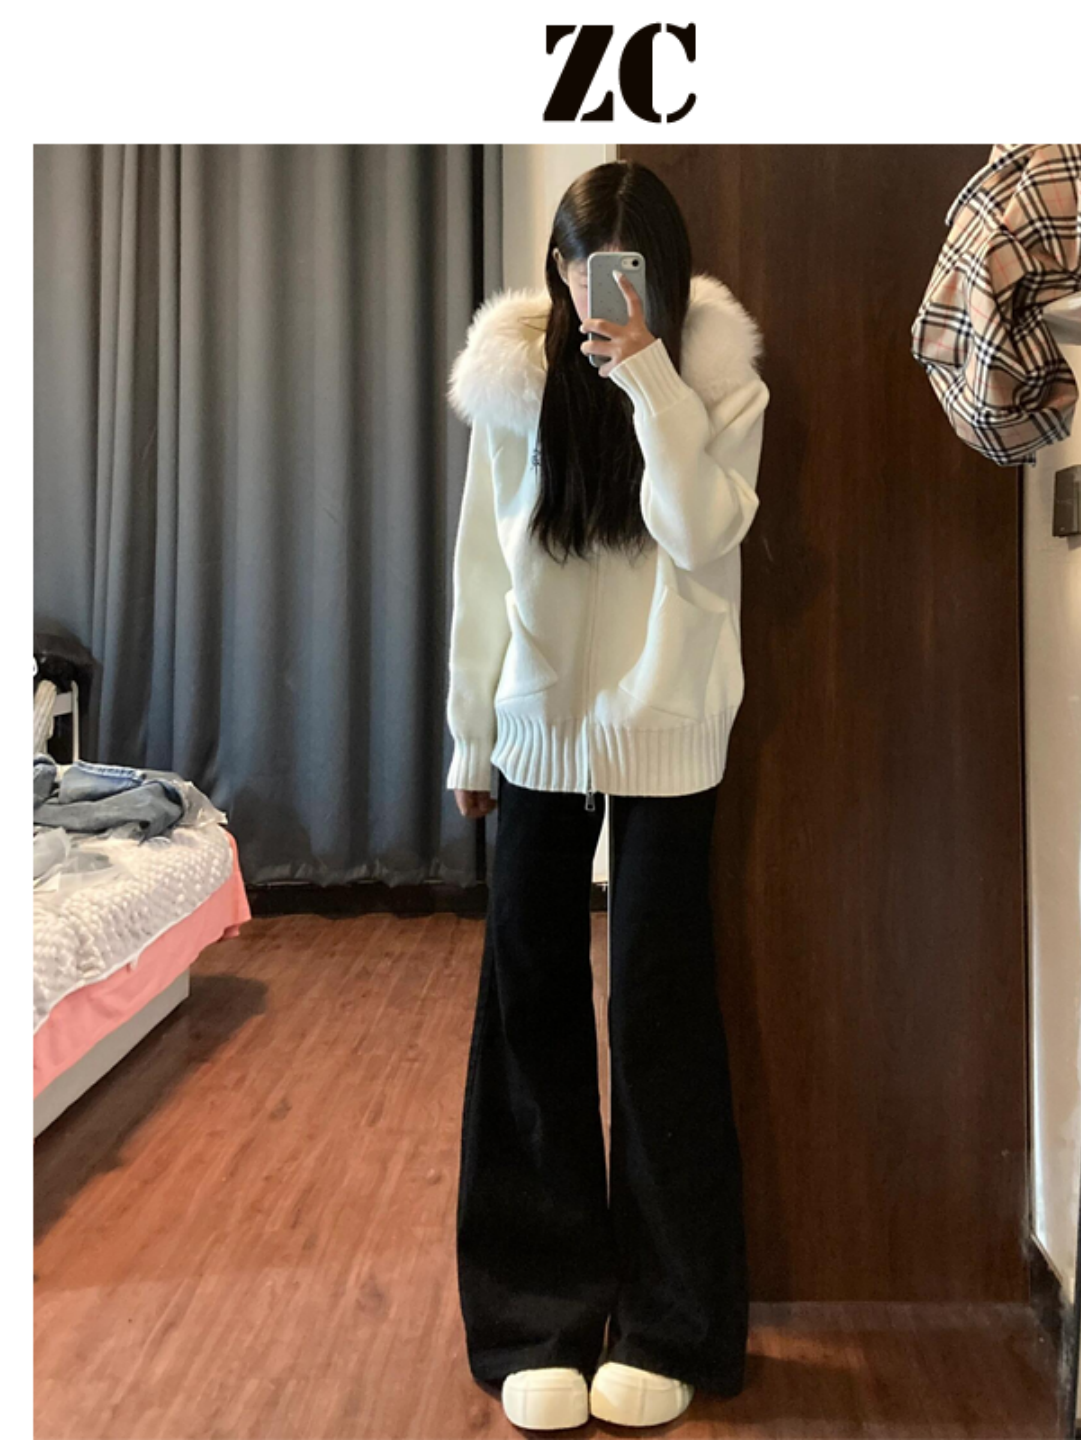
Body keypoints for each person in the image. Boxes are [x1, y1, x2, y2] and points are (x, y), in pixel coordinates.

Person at [444, 159, 769, 1431]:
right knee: (528, 1008)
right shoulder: (513, 381)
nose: (597, 294)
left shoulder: (718, 377)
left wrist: (650, 379)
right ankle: (536, 1315)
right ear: (558, 269)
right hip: (535, 729)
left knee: (660, 1008)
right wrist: (472, 736)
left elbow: (700, 532)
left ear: (660, 276)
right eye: (580, 271)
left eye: (621, 273)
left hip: (667, 730)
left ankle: (673, 1320)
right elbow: (483, 565)